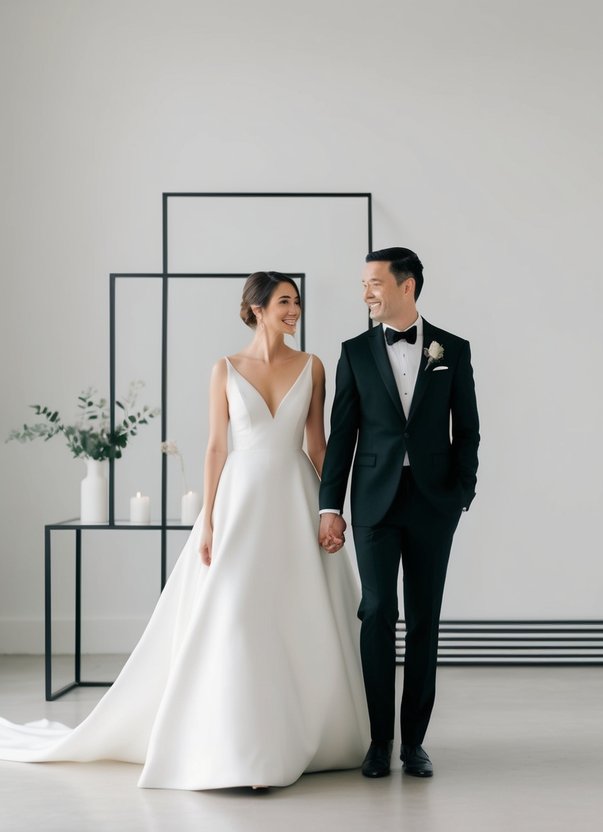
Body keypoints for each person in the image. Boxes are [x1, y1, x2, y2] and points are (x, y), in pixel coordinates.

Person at [0, 272, 368, 790]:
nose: (294, 310)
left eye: (297, 302)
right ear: (257, 309)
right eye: (284, 301)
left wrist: (332, 508)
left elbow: (318, 445)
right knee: (238, 617)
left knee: (298, 615)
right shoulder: (225, 369)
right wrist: (210, 518)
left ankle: (303, 736)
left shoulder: (313, 366)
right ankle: (246, 750)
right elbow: (216, 446)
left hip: (296, 499)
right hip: (241, 503)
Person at [318, 247, 479, 779]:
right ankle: (378, 741)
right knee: (378, 612)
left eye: (374, 283)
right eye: (363, 284)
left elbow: (468, 429)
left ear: (406, 286)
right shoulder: (355, 352)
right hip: (373, 503)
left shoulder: (453, 349)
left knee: (424, 620)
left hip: (434, 503)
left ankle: (414, 744)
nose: (366, 293)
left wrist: (462, 493)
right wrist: (329, 506)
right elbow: (342, 435)